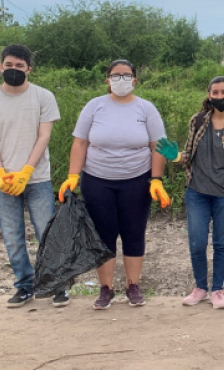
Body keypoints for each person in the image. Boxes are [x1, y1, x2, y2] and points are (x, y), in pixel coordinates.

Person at [59, 59, 171, 310]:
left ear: (135, 80)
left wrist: (156, 179)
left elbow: (158, 146)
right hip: (97, 181)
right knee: (103, 235)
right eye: (115, 75)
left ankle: (133, 286)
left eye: (126, 75)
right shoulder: (94, 106)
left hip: (137, 180)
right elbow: (80, 143)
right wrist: (73, 175)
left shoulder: (146, 109)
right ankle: (106, 289)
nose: (121, 79)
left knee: (134, 233)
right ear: (107, 80)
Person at [0, 44, 63, 308]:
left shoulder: (43, 97)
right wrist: (0, 172)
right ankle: (24, 286)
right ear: (1, 66)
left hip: (36, 179)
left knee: (46, 232)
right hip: (2, 181)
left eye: (19, 66)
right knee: (12, 236)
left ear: (29, 69)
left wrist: (27, 171)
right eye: (9, 65)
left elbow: (44, 136)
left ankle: (56, 284)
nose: (13, 70)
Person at [155, 76, 224, 310]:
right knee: (197, 242)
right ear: (209, 94)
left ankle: (218, 290)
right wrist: (176, 156)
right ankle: (200, 287)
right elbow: (188, 154)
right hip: (197, 191)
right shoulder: (198, 121)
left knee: (221, 243)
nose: (219, 97)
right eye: (215, 93)